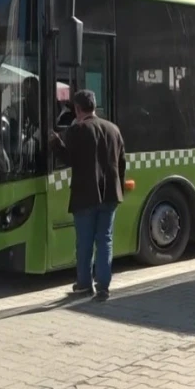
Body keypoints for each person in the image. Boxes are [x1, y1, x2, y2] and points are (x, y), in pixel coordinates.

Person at [49, 90, 126, 302]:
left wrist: (55, 143)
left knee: (84, 242)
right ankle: (103, 287)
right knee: (105, 240)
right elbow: (121, 164)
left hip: (85, 195)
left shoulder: (77, 129)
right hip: (111, 195)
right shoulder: (113, 129)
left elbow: (68, 159)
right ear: (94, 106)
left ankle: (84, 284)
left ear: (77, 109)